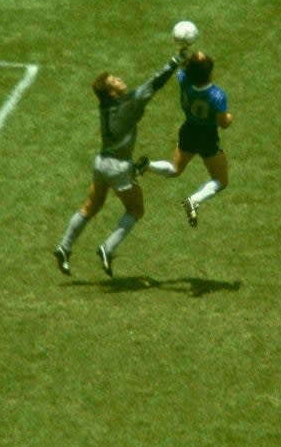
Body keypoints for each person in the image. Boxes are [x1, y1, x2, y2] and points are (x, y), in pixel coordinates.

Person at [53, 49, 187, 277]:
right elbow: (153, 84)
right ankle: (108, 247)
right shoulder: (129, 105)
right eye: (114, 80)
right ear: (112, 93)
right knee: (135, 209)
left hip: (100, 162)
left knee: (91, 206)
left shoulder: (105, 105)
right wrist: (175, 61)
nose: (120, 79)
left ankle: (64, 247)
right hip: (118, 167)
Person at [144, 51, 233, 227]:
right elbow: (224, 123)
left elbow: (183, 67)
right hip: (207, 137)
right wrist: (229, 117)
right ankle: (195, 200)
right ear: (209, 72)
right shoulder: (217, 96)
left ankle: (148, 165)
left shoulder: (184, 79)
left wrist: (184, 51)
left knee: (175, 169)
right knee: (221, 180)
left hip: (188, 130)